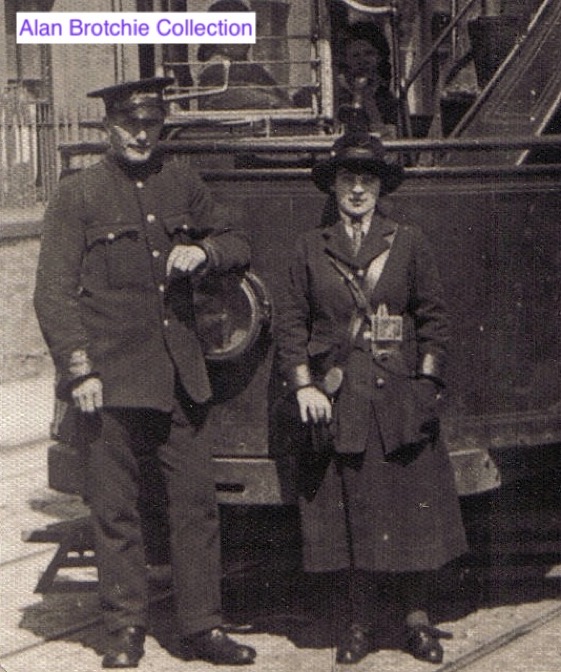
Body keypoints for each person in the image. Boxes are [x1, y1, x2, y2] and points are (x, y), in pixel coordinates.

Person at [34, 77, 257, 669]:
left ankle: (202, 629)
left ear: (161, 127)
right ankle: (124, 628)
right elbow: (52, 296)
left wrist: (207, 253)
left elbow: (237, 238)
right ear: (109, 126)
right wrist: (80, 371)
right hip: (108, 385)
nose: (140, 133)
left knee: (195, 509)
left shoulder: (181, 181)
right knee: (116, 512)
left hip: (180, 380)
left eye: (151, 124)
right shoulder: (78, 195)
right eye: (130, 123)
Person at [274, 130, 468, 665]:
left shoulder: (408, 241)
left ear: (380, 187)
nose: (357, 190)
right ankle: (357, 624)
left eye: (367, 179)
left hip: (400, 402)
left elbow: (434, 318)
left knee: (412, 513)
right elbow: (290, 324)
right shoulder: (310, 249)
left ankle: (416, 621)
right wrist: (304, 384)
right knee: (350, 517)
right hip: (344, 402)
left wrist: (427, 385)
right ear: (333, 187)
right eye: (347, 179)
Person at [197, 0, 289, 111]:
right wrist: (275, 102)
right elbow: (225, 97)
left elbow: (283, 100)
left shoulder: (253, 69)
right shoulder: (215, 69)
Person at [337, 22, 399, 132]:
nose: (363, 61)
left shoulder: (386, 98)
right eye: (356, 55)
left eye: (369, 53)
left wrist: (367, 98)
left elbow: (386, 136)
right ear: (346, 60)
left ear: (379, 57)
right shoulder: (337, 95)